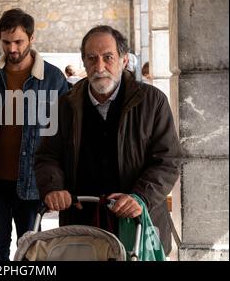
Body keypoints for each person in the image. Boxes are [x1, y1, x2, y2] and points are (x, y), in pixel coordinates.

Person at [34, 25, 180, 255]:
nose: (99, 67)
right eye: (91, 58)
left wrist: (140, 197)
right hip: (81, 226)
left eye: (108, 57)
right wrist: (54, 188)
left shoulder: (153, 102)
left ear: (123, 60)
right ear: (84, 62)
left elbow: (168, 160)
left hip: (136, 224)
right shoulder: (64, 106)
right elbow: (47, 156)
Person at [0, 8, 69, 261]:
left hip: (32, 180)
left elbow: (63, 135)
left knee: (31, 249)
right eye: (6, 42)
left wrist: (58, 181)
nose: (12, 49)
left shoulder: (52, 77)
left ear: (31, 38)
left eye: (18, 41)